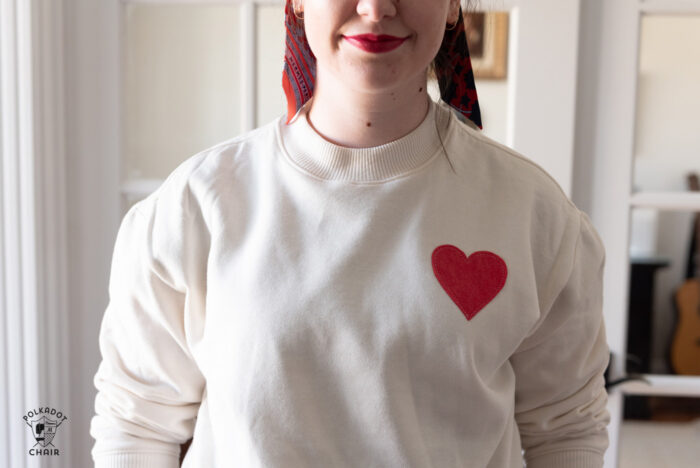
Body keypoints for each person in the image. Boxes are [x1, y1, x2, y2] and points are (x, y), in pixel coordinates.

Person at [90, 0, 611, 467]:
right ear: (295, 3)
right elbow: (137, 424)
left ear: (454, 5)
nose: (376, 7)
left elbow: (567, 428)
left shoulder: (534, 215)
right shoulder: (195, 206)